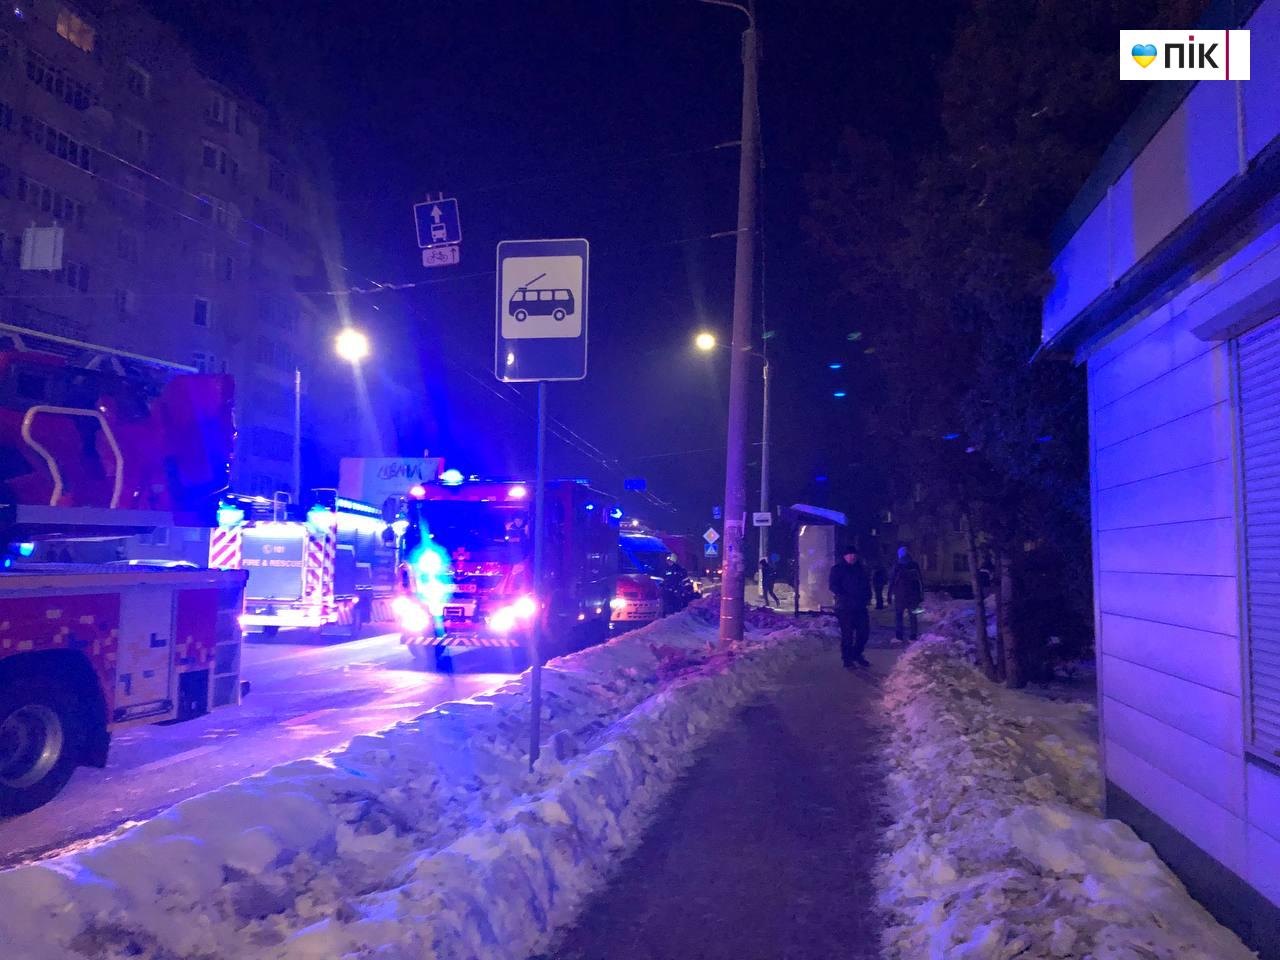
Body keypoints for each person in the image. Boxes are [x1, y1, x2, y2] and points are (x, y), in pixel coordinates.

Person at [829, 545, 871, 668]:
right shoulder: (837, 569)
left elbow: (866, 584)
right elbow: (833, 585)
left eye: (854, 554)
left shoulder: (860, 569)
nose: (852, 556)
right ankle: (847, 658)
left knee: (864, 633)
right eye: (849, 554)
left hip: (860, 606)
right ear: (844, 556)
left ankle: (857, 654)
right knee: (847, 634)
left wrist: (867, 596)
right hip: (845, 607)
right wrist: (844, 594)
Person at [888, 546, 924, 643]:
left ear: (899, 555)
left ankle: (899, 636)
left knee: (899, 616)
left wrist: (889, 595)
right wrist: (921, 595)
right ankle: (913, 636)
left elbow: (892, 581)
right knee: (913, 616)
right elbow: (920, 580)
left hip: (900, 595)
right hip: (914, 595)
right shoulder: (914, 565)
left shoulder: (897, 565)